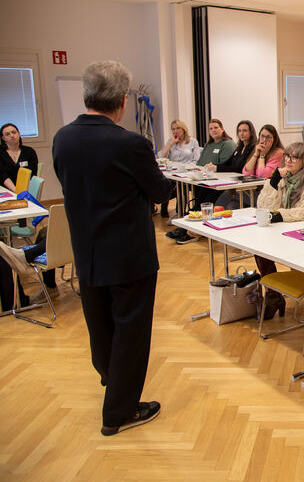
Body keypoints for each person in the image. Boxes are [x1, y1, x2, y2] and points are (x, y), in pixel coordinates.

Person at [52, 60, 171, 436]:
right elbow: (160, 190)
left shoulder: (62, 138)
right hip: (128, 256)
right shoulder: (131, 144)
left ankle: (111, 379)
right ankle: (119, 411)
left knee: (100, 327)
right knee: (131, 332)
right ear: (122, 101)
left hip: (86, 253)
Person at [255, 142, 304, 318]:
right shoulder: (283, 177)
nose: (289, 160)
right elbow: (263, 207)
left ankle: (274, 295)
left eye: (295, 157)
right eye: (287, 155)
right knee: (258, 249)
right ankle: (273, 295)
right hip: (286, 231)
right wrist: (272, 183)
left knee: (264, 248)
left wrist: (279, 214)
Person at [168, 119, 237, 244]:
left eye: (216, 127)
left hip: (220, 182)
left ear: (222, 128)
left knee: (203, 201)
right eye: (211, 128)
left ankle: (189, 229)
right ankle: (186, 227)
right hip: (206, 180)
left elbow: (223, 165)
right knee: (198, 201)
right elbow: (200, 163)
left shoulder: (228, 144)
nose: (213, 130)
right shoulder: (209, 145)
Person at [211, 120, 259, 210]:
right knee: (231, 206)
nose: (241, 133)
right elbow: (228, 162)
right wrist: (214, 166)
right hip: (238, 183)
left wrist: (218, 168)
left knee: (229, 192)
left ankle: (213, 214)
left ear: (251, 132)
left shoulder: (253, 148)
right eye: (239, 131)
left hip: (247, 187)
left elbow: (239, 168)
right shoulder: (240, 147)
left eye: (245, 131)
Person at [157, 119, 200, 217]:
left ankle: (179, 211)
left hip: (187, 172)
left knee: (181, 185)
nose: (175, 131)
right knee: (164, 182)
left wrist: (186, 168)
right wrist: (170, 144)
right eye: (173, 129)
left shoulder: (192, 142)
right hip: (172, 172)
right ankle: (164, 208)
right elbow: (161, 157)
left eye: (177, 128)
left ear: (183, 129)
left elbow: (196, 160)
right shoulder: (170, 142)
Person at [0, 122, 38, 192]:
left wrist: (23, 191)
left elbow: (32, 175)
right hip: (5, 190)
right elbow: (3, 176)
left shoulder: (29, 151)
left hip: (25, 188)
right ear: (3, 138)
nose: (12, 135)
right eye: (7, 134)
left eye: (14, 132)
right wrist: (16, 191)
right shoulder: (1, 153)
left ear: (19, 134)